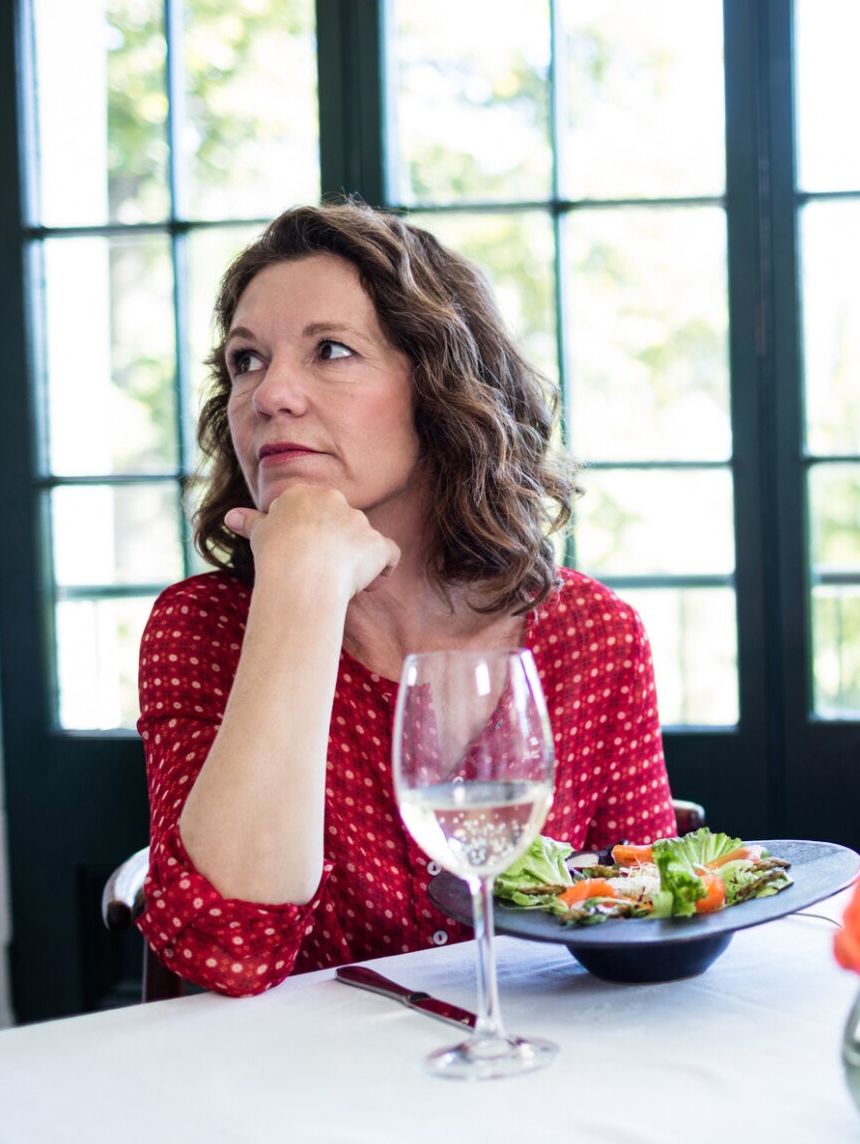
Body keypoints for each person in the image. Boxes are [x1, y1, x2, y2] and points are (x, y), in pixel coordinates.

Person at [136, 203, 676, 996]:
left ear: (439, 387)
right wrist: (300, 587)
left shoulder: (593, 634)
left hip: (539, 1080)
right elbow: (230, 948)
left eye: (330, 350)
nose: (270, 394)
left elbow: (648, 924)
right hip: (305, 1102)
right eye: (246, 360)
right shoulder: (201, 629)